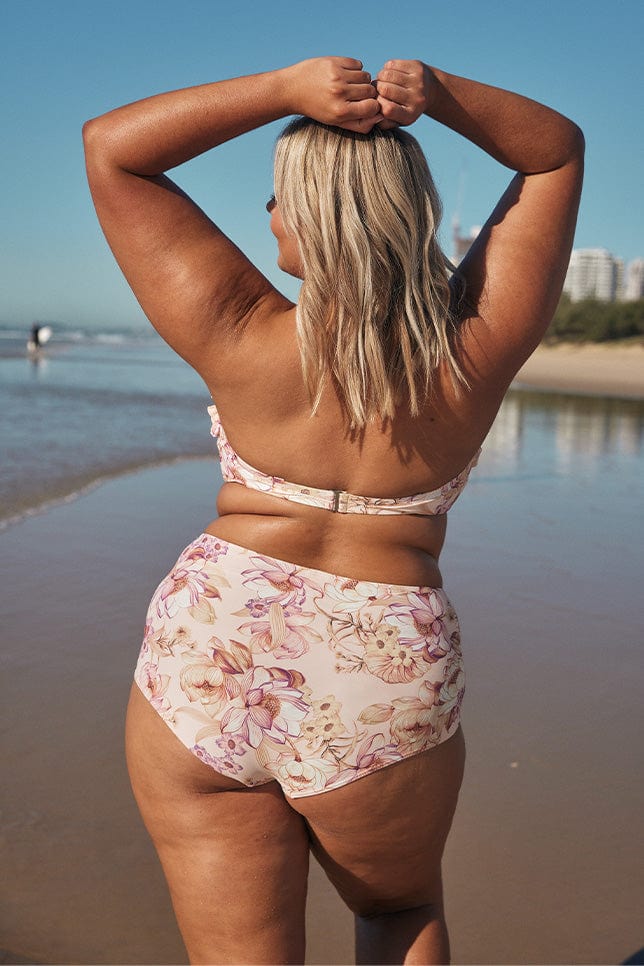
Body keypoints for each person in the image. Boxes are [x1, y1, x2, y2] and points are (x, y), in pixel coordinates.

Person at [83, 56, 583, 964]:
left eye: (277, 196)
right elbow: (554, 157)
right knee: (395, 913)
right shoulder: (473, 349)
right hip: (379, 655)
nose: (267, 214)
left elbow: (114, 149)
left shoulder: (238, 327)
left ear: (311, 213)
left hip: (216, 638)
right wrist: (439, 94)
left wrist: (282, 90)